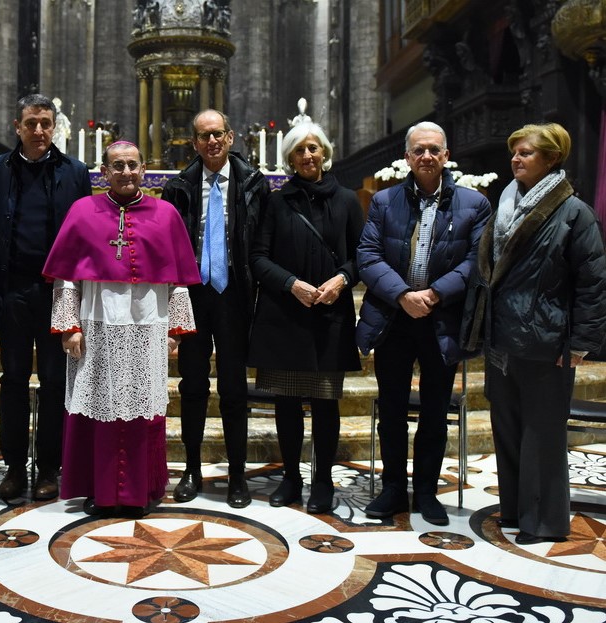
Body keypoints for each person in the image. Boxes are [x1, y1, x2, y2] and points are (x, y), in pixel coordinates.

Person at [462, 123, 606, 544]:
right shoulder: (506, 203)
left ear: (551, 158)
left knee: (541, 434)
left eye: (525, 153)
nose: (515, 159)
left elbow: (593, 281)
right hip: (502, 338)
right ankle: (515, 509)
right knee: (507, 425)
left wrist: (581, 343)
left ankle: (543, 521)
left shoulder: (574, 212)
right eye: (514, 152)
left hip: (546, 340)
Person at [43, 141, 200, 516]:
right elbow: (66, 277)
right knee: (97, 408)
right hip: (96, 326)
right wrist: (69, 325)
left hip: (148, 326)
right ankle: (100, 489)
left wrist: (175, 330)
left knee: (143, 409)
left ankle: (141, 490)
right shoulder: (83, 211)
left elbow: (178, 278)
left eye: (132, 165)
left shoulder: (166, 214)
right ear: (104, 171)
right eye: (118, 166)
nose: (126, 172)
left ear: (144, 169)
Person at [356, 121, 490, 526]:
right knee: (393, 410)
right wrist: (402, 295)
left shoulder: (474, 204)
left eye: (434, 149)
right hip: (393, 320)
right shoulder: (383, 202)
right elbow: (367, 254)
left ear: (447, 155)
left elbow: (477, 261)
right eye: (419, 150)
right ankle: (394, 487)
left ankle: (427, 492)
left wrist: (434, 295)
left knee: (435, 411)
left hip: (442, 321)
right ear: (407, 157)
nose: (427, 156)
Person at [0, 94, 92, 502]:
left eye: (45, 123)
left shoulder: (75, 173)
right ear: (17, 126)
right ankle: (14, 468)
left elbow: (87, 234)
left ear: (54, 126)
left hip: (60, 291)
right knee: (14, 380)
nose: (39, 131)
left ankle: (49, 468)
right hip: (13, 291)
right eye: (31, 123)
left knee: (57, 382)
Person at [248, 116, 363, 513]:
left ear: (325, 153)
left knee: (326, 405)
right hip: (286, 316)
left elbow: (362, 255)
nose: (308, 155)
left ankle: (323, 481)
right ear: (290, 158)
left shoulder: (347, 200)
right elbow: (258, 258)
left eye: (313, 148)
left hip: (330, 316)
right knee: (287, 402)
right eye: (299, 150)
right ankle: (292, 477)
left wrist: (342, 280)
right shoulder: (276, 202)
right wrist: (291, 284)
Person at [162, 109, 270, 508]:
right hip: (193, 295)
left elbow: (262, 240)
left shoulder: (253, 184)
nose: (212, 141)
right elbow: (171, 245)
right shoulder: (180, 187)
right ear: (194, 143)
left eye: (218, 134)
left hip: (236, 293)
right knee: (192, 386)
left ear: (231, 137)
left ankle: (237, 474)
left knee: (234, 388)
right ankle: (192, 469)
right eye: (203, 136)